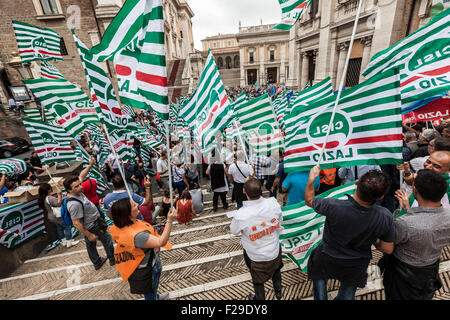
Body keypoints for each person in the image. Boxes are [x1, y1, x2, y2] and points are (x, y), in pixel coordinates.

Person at [304, 167, 396, 300]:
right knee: (348, 291)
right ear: (381, 196)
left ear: (357, 183)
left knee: (319, 277)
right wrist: (374, 239)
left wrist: (311, 179)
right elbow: (388, 248)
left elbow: (309, 201)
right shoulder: (385, 216)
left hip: (326, 256)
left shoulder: (333, 205)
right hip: (356, 263)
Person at [379, 170, 450, 300]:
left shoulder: (404, 223)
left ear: (415, 190)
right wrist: (408, 210)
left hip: (403, 275)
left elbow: (387, 246)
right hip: (431, 269)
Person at [109, 198, 176, 300]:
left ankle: (156, 296)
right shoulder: (137, 236)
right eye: (134, 205)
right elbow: (161, 242)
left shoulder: (124, 225)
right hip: (148, 268)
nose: (137, 204)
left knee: (152, 289)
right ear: (128, 214)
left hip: (147, 261)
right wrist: (169, 221)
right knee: (150, 291)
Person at [230, 178, 283, 300]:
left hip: (255, 256)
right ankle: (278, 295)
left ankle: (260, 298)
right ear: (261, 190)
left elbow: (234, 231)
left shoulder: (241, 214)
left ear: (244, 191)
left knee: (257, 280)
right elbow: (280, 221)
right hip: (274, 250)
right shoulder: (273, 204)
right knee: (276, 270)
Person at [64, 158, 115, 270]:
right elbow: (76, 223)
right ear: (69, 190)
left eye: (79, 184)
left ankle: (97, 262)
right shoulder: (74, 204)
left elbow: (82, 175)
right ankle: (112, 259)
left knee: (90, 245)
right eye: (76, 186)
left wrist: (90, 164)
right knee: (107, 239)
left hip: (93, 223)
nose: (80, 187)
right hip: (93, 225)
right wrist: (88, 234)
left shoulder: (78, 191)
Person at [38, 183, 79, 248]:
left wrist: (61, 196)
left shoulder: (44, 198)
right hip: (58, 216)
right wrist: (59, 194)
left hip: (52, 217)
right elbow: (58, 203)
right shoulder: (49, 198)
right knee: (67, 227)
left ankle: (64, 241)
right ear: (48, 190)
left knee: (59, 228)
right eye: (50, 188)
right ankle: (69, 242)